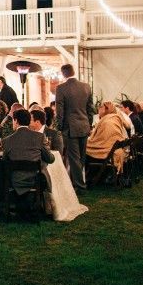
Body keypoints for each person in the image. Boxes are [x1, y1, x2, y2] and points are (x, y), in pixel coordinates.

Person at [2, 109, 55, 219]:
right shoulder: (39, 137)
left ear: (16, 121)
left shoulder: (7, 140)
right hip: (34, 179)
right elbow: (50, 159)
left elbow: (4, 161)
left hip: (14, 180)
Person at [54, 64, 95, 193]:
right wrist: (88, 123)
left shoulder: (61, 88)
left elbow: (59, 111)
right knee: (81, 158)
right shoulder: (86, 86)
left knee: (73, 158)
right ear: (73, 71)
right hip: (84, 125)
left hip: (70, 127)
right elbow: (90, 108)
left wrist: (59, 127)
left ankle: (80, 186)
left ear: (63, 74)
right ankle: (78, 181)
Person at [86, 101, 129, 175]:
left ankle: (86, 176)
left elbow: (101, 142)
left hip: (108, 153)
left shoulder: (107, 121)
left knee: (82, 150)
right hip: (116, 150)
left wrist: (88, 142)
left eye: (101, 107)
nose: (99, 108)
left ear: (107, 109)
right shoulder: (114, 118)